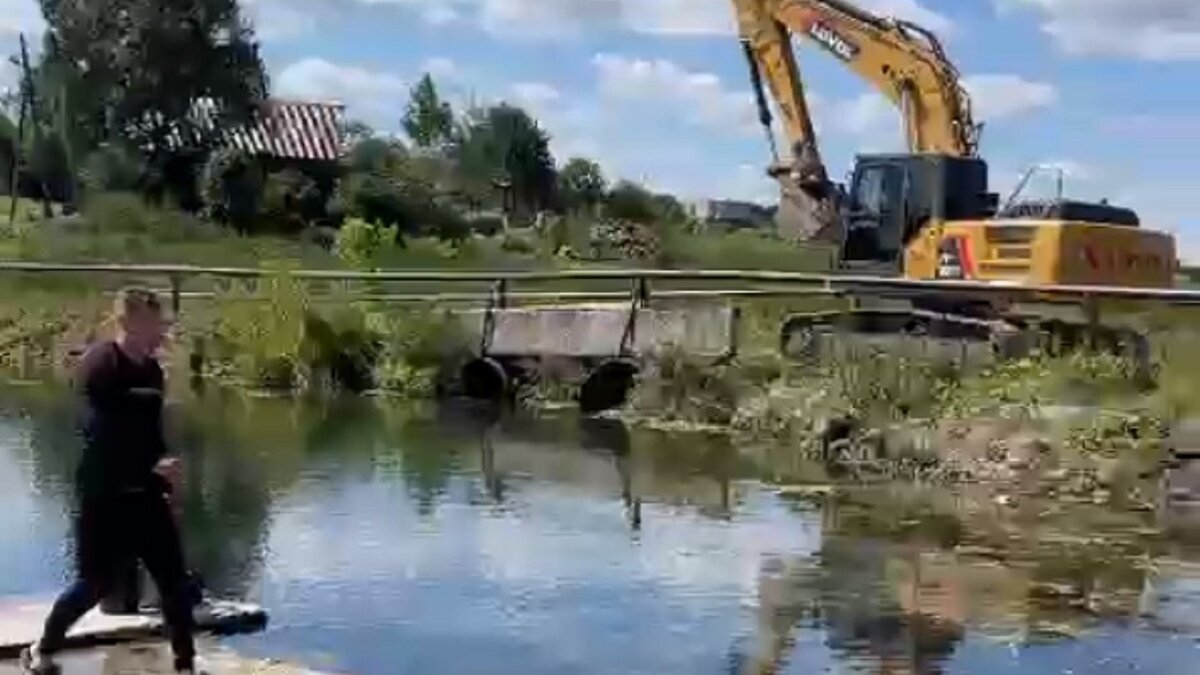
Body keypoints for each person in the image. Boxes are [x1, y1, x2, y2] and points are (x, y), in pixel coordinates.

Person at [21, 287, 200, 674]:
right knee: (96, 585)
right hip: (104, 493)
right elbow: (96, 434)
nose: (163, 331)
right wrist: (146, 466)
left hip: (148, 495)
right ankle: (42, 648)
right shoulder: (101, 364)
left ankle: (185, 666)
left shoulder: (152, 372)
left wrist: (166, 472)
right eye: (157, 322)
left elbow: (151, 433)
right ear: (132, 322)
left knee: (174, 582)